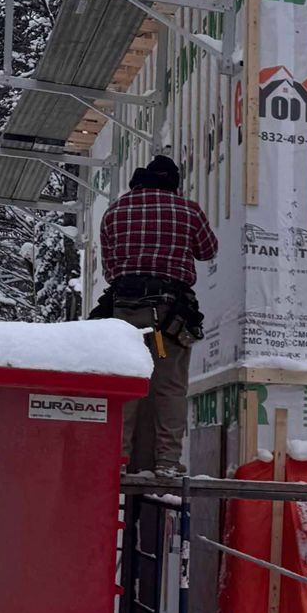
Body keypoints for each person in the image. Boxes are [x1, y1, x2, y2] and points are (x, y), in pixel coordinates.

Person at [90, 154, 217, 478]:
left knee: (127, 383)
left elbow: (109, 268)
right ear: (172, 183)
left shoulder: (115, 212)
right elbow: (208, 249)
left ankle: (117, 459)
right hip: (166, 319)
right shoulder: (186, 210)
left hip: (123, 314)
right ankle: (167, 463)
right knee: (168, 387)